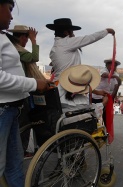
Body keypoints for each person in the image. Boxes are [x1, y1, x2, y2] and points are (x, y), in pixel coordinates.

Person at [0, 0, 51, 186]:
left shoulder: (5, 40)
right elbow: (34, 57)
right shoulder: (17, 48)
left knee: (14, 165)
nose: (11, 16)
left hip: (12, 107)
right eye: (9, 9)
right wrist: (34, 83)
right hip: (3, 108)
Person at [46, 18, 115, 84]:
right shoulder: (67, 42)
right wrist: (106, 31)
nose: (74, 34)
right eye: (72, 32)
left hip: (58, 83)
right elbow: (90, 38)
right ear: (66, 32)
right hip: (67, 84)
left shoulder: (54, 48)